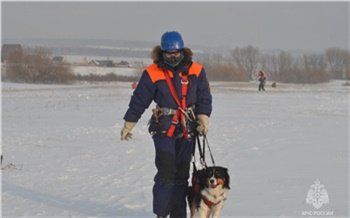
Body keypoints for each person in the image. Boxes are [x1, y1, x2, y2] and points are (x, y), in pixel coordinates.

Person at [121, 31, 212, 218]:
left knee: (181, 175)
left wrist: (203, 118)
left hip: (188, 127)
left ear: (183, 51)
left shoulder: (196, 70)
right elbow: (139, 99)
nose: (173, 57)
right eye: (168, 54)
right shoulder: (152, 73)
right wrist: (129, 123)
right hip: (164, 128)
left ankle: (178, 215)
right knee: (166, 173)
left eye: (176, 53)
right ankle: (162, 214)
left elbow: (204, 96)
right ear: (162, 52)